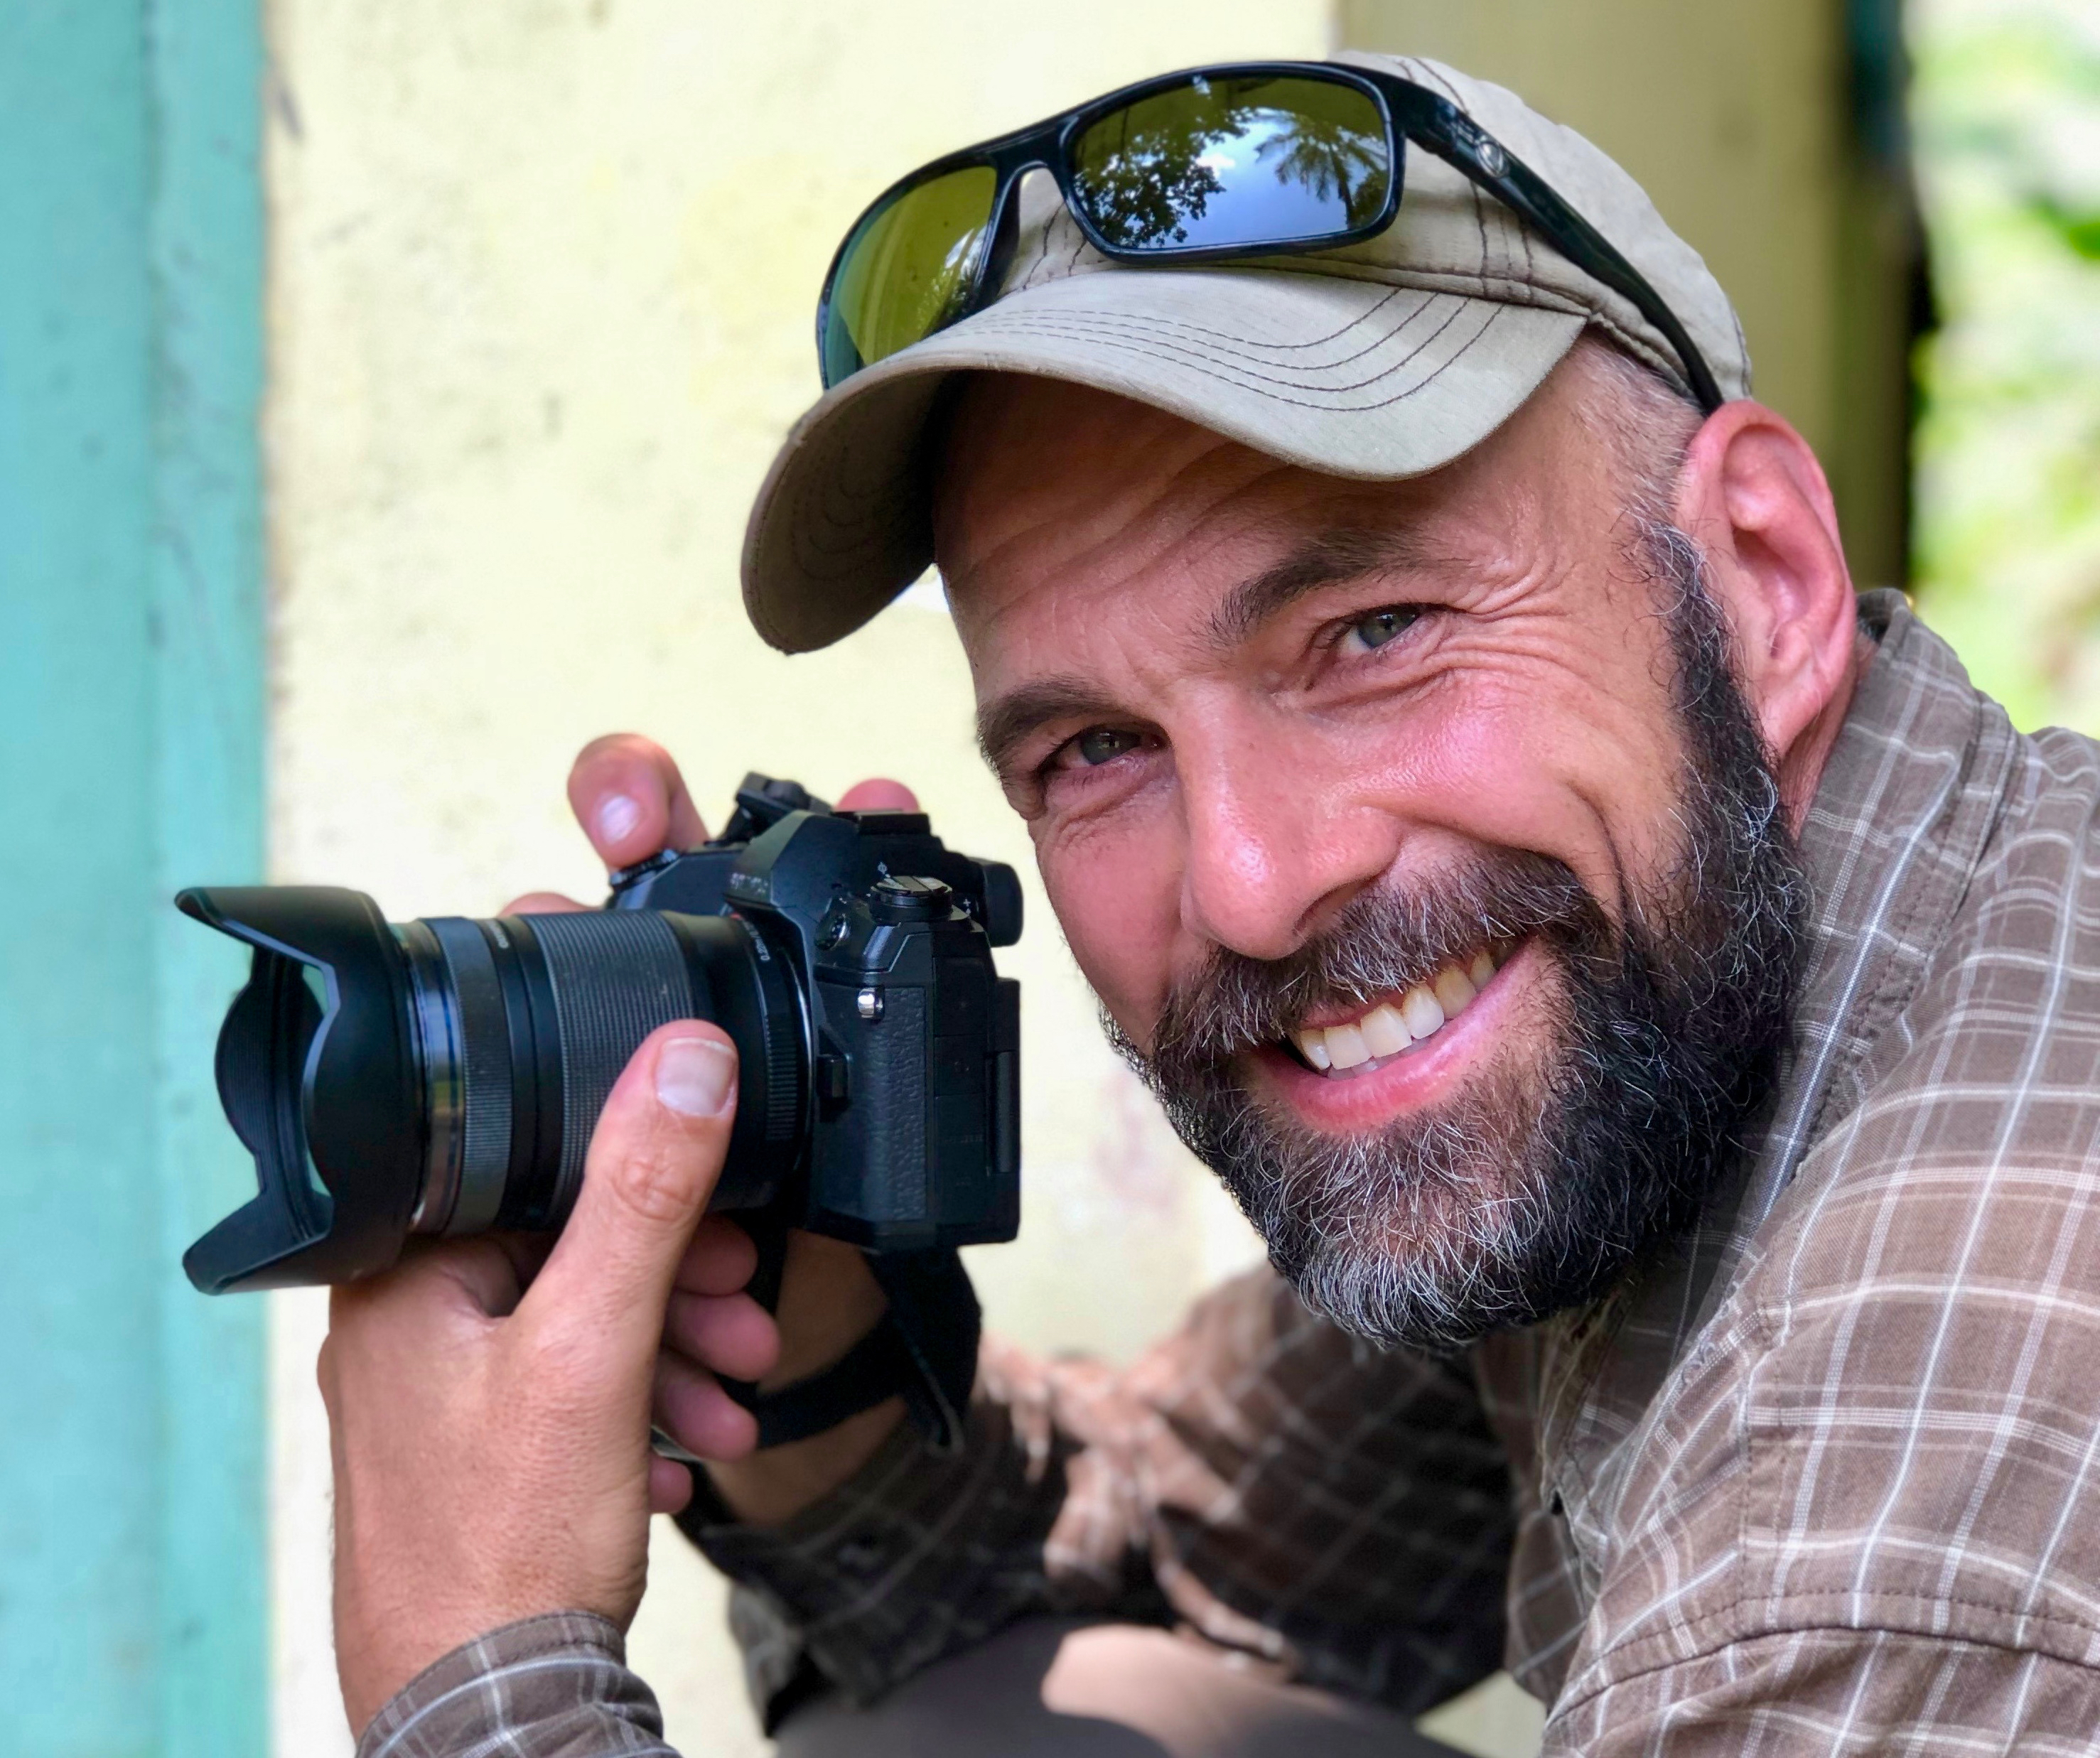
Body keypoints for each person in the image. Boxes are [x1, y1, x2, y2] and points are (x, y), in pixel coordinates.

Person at [323, 53, 2100, 1758]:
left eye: (1372, 634)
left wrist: (475, 1674)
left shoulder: (1908, 1493)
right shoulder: (1653, 1026)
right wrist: (810, 1337)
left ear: (1762, 581)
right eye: (1096, 747)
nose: (1251, 888)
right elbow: (1119, 1571)